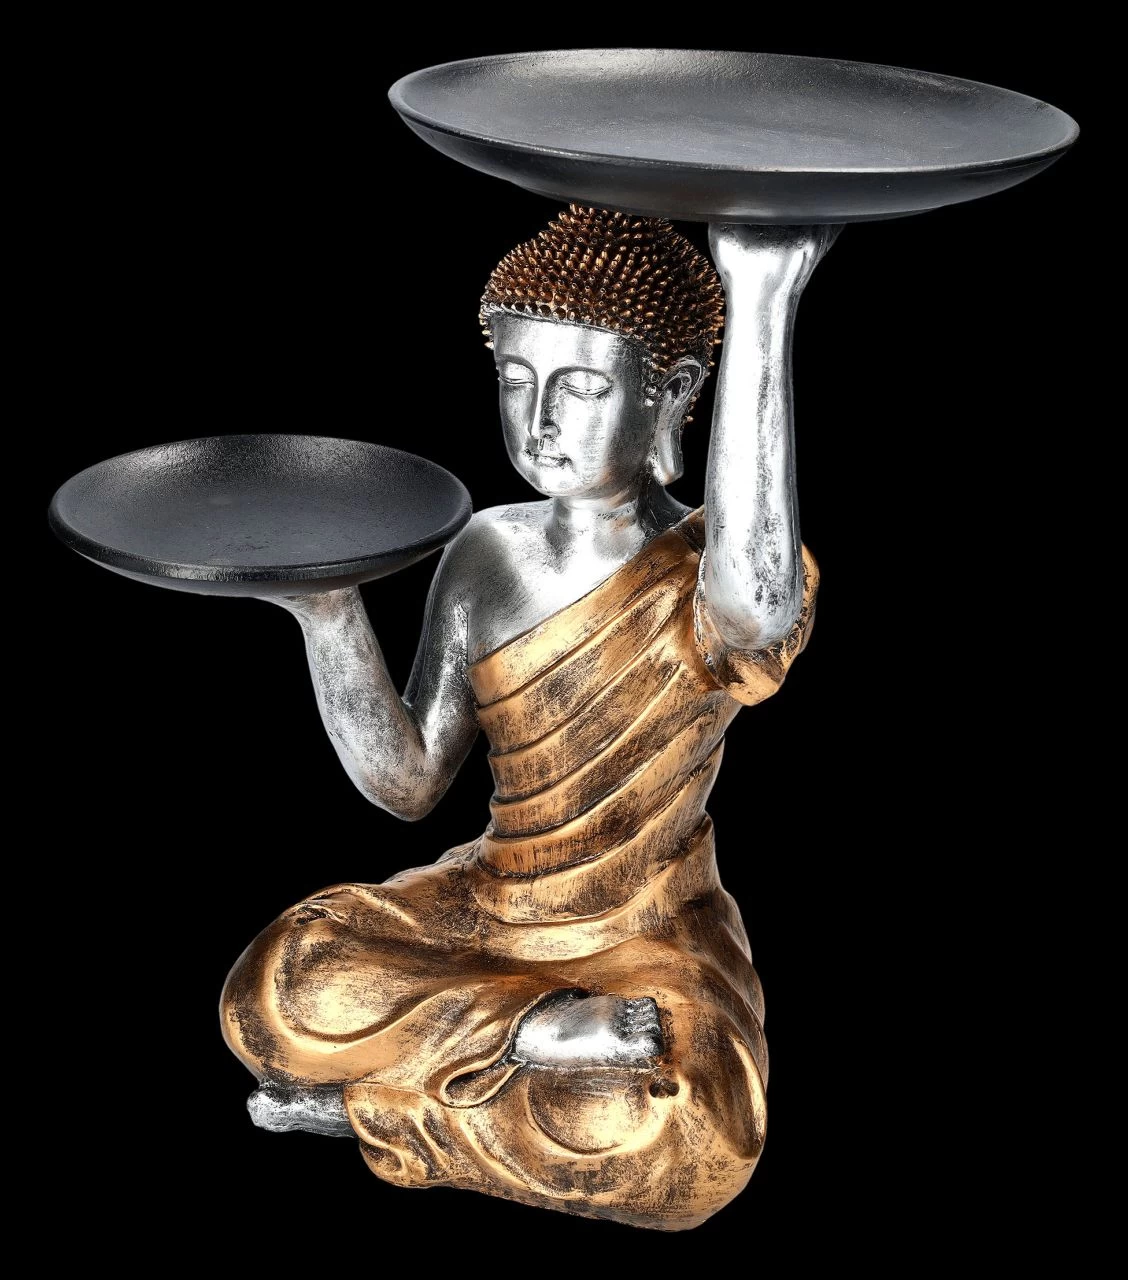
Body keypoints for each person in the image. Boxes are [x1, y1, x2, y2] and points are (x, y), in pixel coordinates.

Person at [221, 205, 837, 1230]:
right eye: (517, 379)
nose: (541, 418)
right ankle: (531, 1037)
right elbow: (410, 783)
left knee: (697, 1142)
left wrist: (764, 293)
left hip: (644, 931)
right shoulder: (484, 550)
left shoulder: (707, 570)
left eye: (582, 386)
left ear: (673, 393)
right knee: (276, 990)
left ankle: (382, 1108)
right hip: (490, 903)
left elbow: (757, 608)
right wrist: (326, 610)